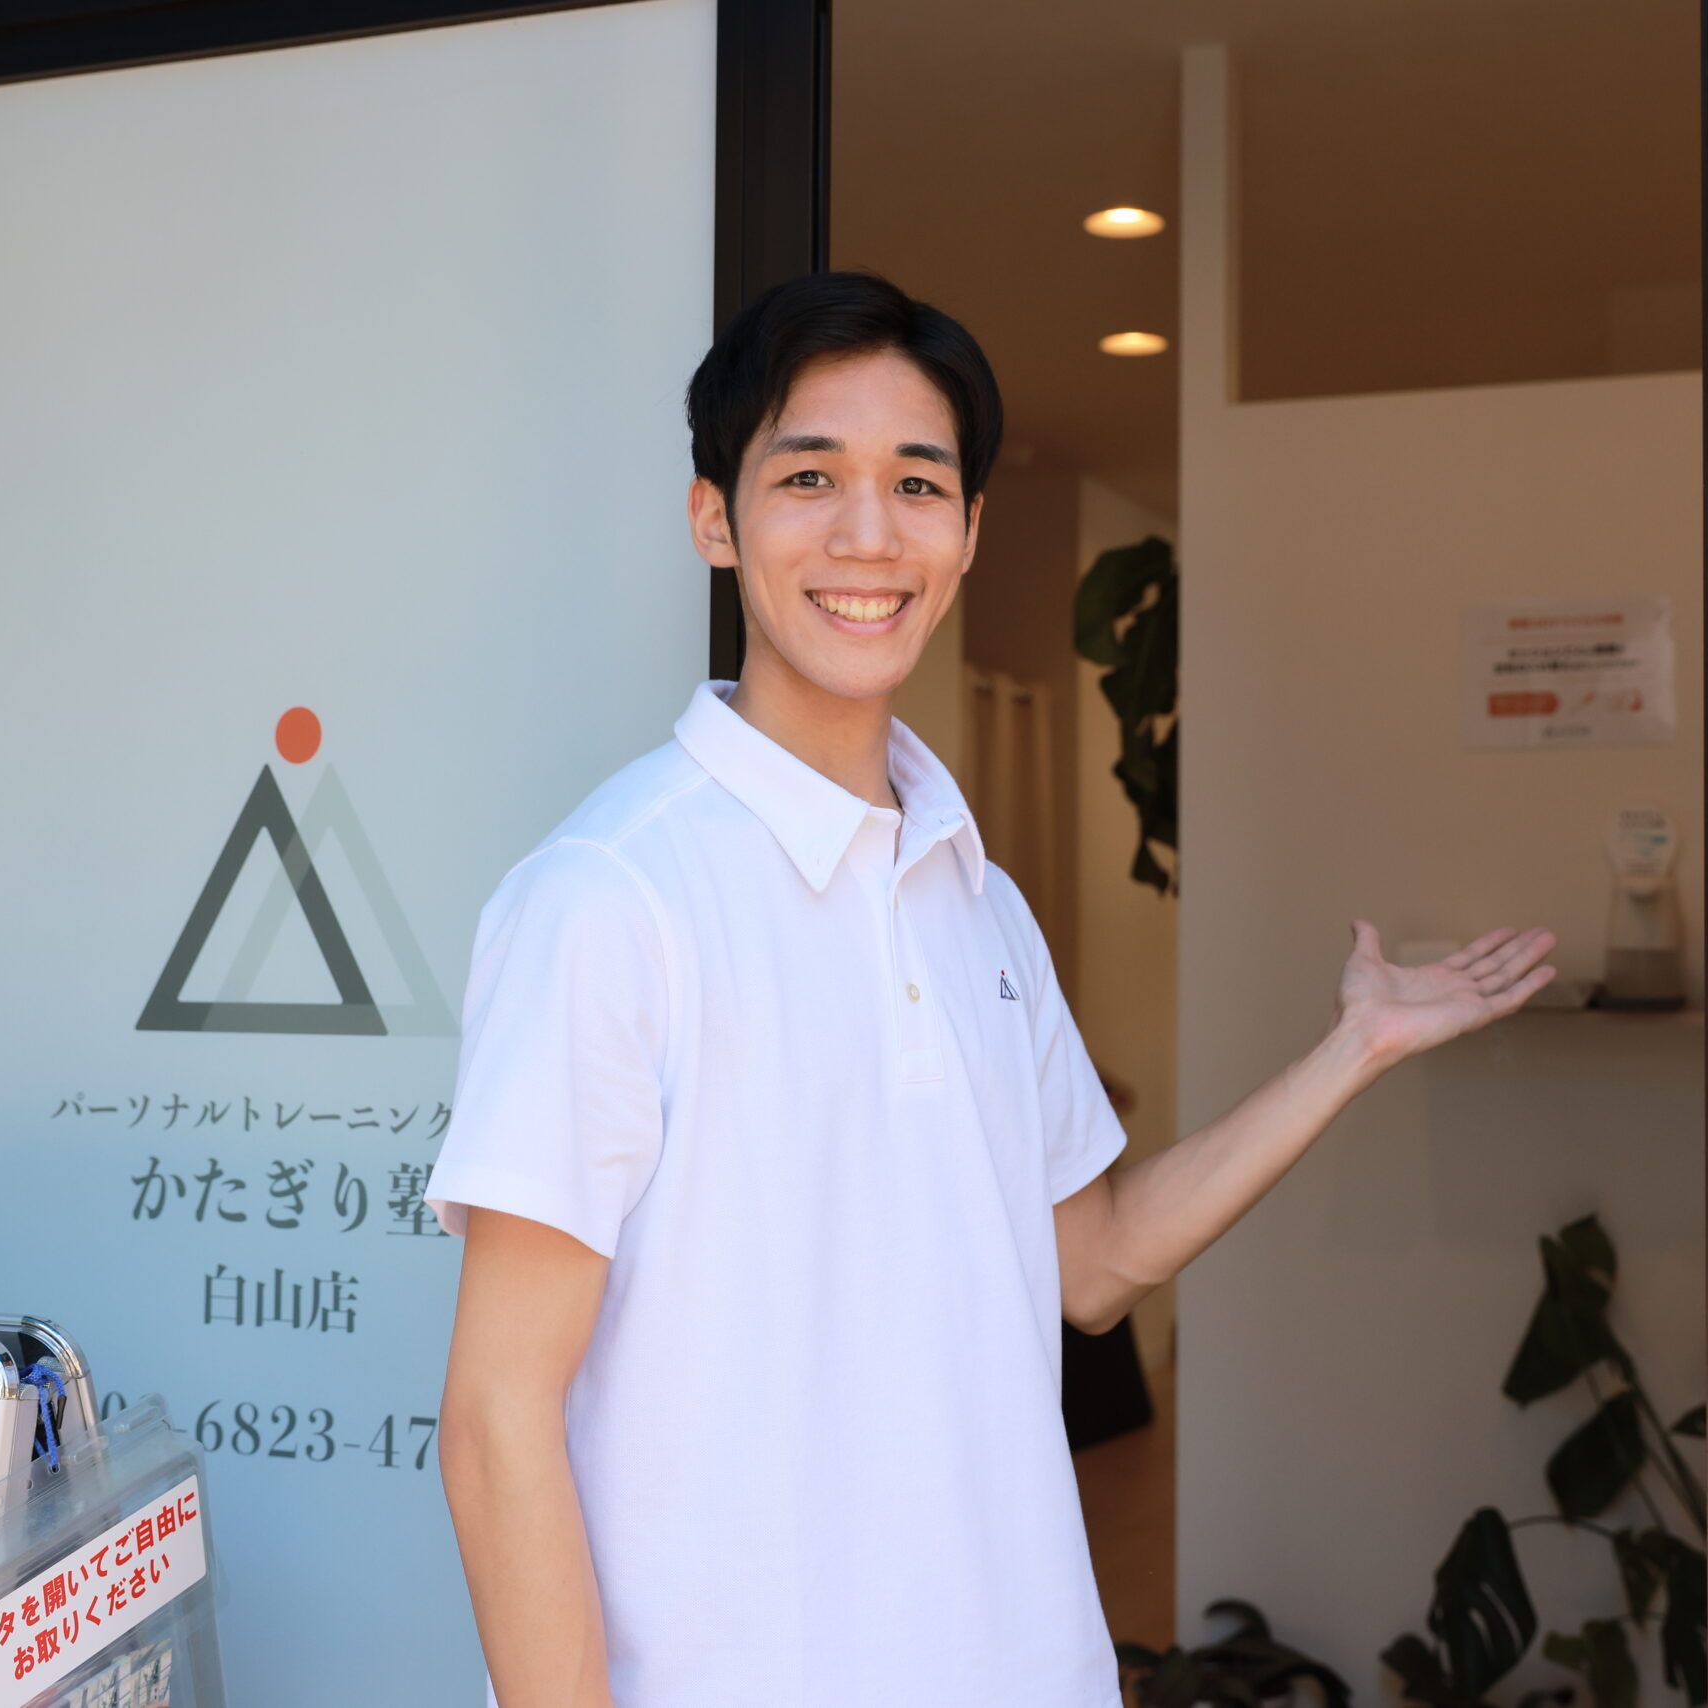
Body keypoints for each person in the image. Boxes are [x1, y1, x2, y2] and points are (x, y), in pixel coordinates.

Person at [427, 271, 1556, 1707]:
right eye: (809, 477)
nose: (868, 534)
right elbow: (495, 1420)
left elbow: (1096, 1260)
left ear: (965, 534)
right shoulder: (610, 898)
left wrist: (1353, 1050)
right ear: (714, 518)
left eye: (917, 484)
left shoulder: (977, 899)